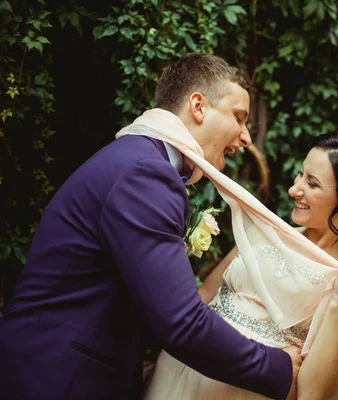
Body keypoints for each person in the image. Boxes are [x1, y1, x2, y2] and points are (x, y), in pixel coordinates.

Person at [0, 53, 302, 400]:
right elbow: (181, 322)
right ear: (199, 106)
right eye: (238, 117)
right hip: (56, 379)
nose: (246, 138)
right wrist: (276, 368)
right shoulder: (146, 174)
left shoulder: (137, 159)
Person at [143, 127, 338, 399]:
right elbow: (202, 297)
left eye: (313, 183)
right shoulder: (265, 229)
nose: (294, 189)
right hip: (182, 372)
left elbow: (313, 394)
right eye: (300, 175)